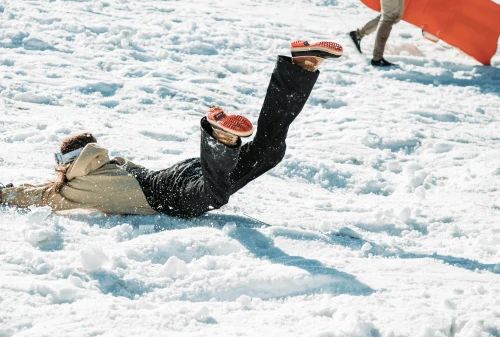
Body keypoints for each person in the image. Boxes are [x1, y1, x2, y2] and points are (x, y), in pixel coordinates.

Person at [0, 40, 343, 218]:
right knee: (269, 150)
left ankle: (220, 139)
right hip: (181, 173)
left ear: (67, 160)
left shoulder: (69, 188)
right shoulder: (111, 163)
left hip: (170, 196)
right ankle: (302, 66)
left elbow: (28, 194)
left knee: (215, 195)